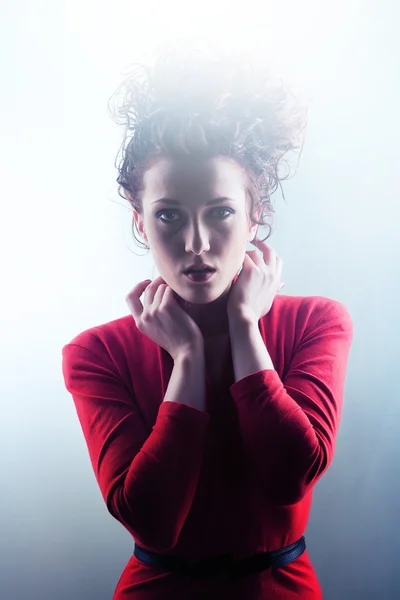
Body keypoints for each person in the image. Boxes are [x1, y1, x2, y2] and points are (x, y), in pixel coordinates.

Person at [61, 41, 354, 600]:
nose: (196, 243)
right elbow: (151, 520)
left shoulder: (317, 322)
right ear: (141, 223)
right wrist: (189, 361)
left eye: (220, 212)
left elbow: (289, 476)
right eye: (169, 215)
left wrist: (246, 329)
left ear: (255, 213)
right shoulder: (95, 353)